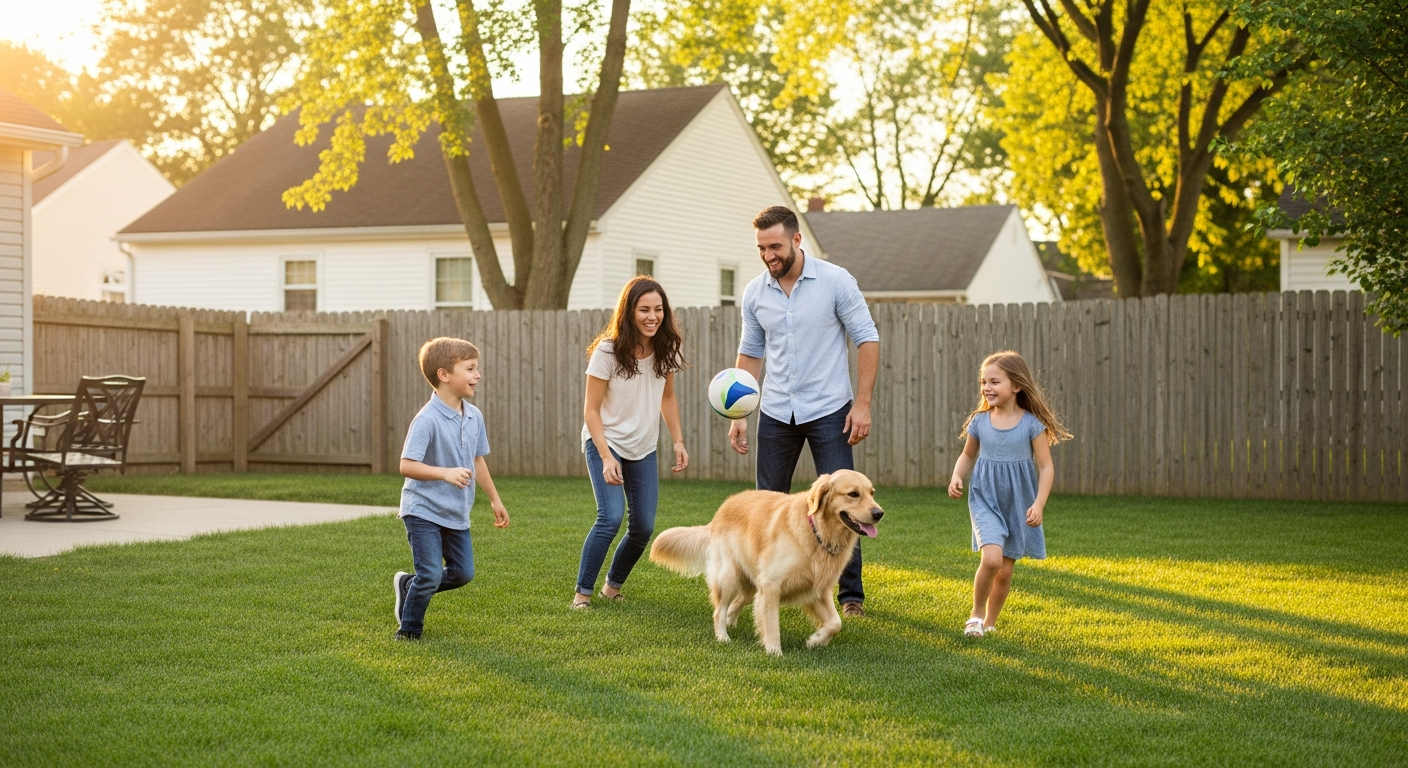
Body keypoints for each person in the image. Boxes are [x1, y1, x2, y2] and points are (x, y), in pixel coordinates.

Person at [729, 206, 880, 617]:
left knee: (847, 505)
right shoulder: (755, 293)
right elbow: (751, 354)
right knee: (765, 510)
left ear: (797, 240)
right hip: (776, 412)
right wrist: (740, 414)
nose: (768, 255)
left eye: (775, 246)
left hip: (830, 409)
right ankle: (759, 588)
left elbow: (867, 339)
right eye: (761, 248)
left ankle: (850, 598)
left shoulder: (835, 281)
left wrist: (862, 404)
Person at [572, 277, 689, 609]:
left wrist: (677, 441)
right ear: (629, 312)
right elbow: (591, 409)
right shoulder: (608, 351)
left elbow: (668, 399)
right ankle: (582, 594)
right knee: (609, 518)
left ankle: (613, 586)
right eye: (644, 310)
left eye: (658, 309)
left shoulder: (667, 348)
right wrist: (607, 457)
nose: (652, 317)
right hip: (605, 442)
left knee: (643, 527)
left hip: (643, 447)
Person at [392, 337, 510, 641]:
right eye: (470, 369)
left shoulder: (473, 416)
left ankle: (409, 585)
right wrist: (444, 473)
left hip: (455, 511)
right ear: (444, 375)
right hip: (423, 510)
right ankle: (409, 630)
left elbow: (477, 460)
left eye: (477, 368)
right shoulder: (427, 420)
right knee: (431, 573)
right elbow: (406, 465)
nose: (477, 375)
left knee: (463, 573)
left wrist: (495, 499)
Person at [947, 350, 1071, 638]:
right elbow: (968, 455)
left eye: (994, 382)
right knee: (991, 560)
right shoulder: (979, 421)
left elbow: (1046, 467)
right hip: (985, 498)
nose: (987, 388)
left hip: (1018, 502)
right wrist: (956, 475)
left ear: (1016, 385)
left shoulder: (1031, 425)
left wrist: (1039, 504)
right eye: (983, 382)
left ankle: (989, 623)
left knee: (1004, 571)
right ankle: (976, 616)